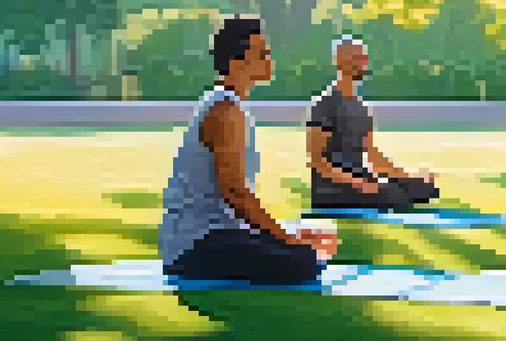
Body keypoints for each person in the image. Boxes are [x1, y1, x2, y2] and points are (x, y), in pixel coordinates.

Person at [159, 15, 337, 284]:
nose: (269, 60)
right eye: (262, 54)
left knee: (318, 238)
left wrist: (288, 234)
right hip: (194, 245)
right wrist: (287, 237)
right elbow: (235, 194)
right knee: (303, 261)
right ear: (235, 62)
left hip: (221, 232)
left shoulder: (231, 106)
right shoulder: (225, 112)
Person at [307, 36, 439, 211]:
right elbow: (317, 161)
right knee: (395, 196)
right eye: (356, 58)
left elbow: (371, 154)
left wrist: (409, 177)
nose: (362, 63)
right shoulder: (324, 104)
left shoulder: (361, 107)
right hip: (332, 188)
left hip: (360, 177)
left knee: (425, 189)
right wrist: (358, 183)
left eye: (363, 58)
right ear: (339, 62)